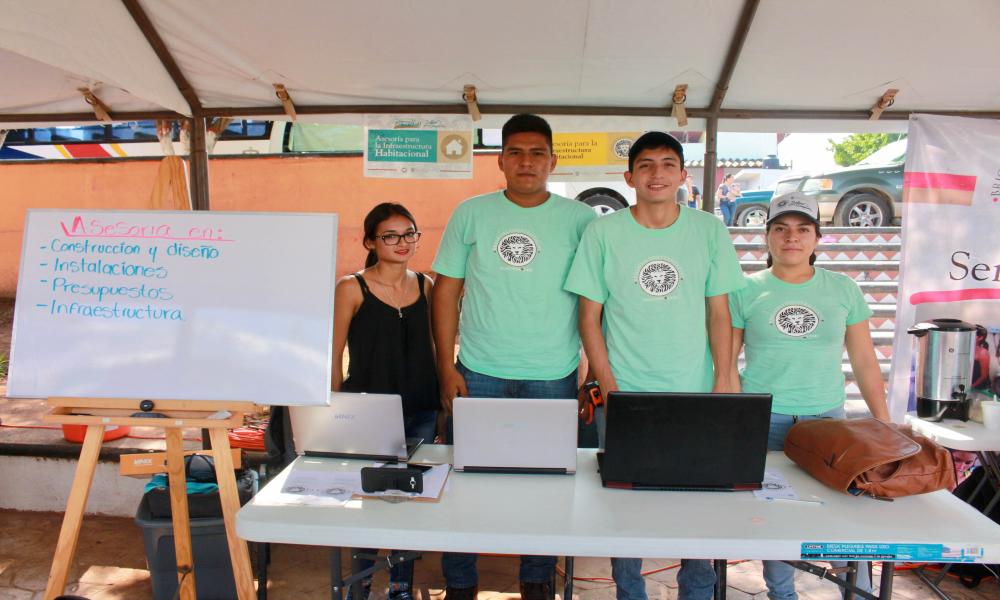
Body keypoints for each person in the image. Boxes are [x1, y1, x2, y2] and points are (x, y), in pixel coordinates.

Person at [564, 131, 745, 600]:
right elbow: (589, 318)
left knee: (699, 502)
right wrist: (611, 389)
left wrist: (725, 379)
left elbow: (719, 312)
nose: (657, 173)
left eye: (668, 163)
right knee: (625, 505)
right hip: (626, 393)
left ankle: (697, 591)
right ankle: (629, 591)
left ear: (684, 174)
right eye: (646, 165)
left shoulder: (708, 229)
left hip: (696, 391)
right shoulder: (603, 231)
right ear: (629, 176)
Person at [431, 113, 596, 600]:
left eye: (537, 153)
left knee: (546, 485)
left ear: (553, 160)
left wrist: (589, 367)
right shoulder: (472, 213)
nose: (527, 162)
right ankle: (460, 582)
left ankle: (537, 578)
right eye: (517, 152)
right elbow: (446, 292)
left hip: (553, 375)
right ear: (501, 160)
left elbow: (594, 301)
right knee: (466, 480)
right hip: (479, 371)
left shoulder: (581, 220)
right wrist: (446, 364)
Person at [728, 192, 890, 600]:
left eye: (802, 229)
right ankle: (782, 594)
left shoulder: (842, 288)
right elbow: (726, 363)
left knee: (839, 517)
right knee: (775, 517)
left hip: (828, 423)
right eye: (780, 229)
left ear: (818, 237)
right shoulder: (744, 290)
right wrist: (733, 422)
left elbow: (866, 362)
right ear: (766, 237)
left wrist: (884, 424)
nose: (791, 238)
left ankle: (855, 592)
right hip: (766, 420)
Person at [332, 202, 439, 600]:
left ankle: (401, 586)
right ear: (370, 242)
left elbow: (433, 345)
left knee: (409, 498)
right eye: (390, 235)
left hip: (421, 410)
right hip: (370, 413)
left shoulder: (427, 285)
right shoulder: (351, 287)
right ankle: (360, 586)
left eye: (409, 233)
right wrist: (334, 407)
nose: (402, 242)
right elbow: (333, 352)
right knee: (368, 500)